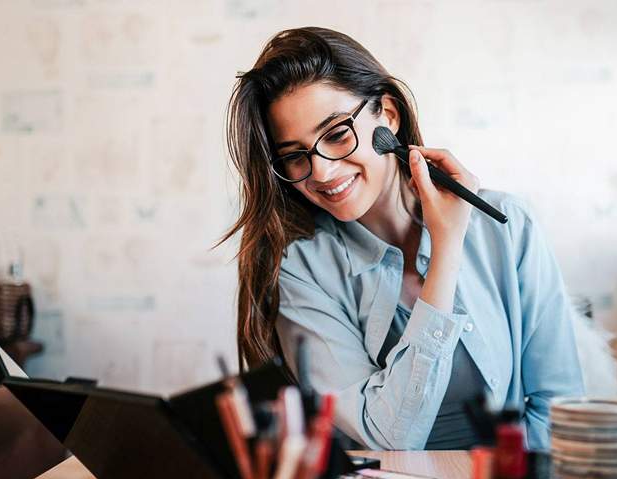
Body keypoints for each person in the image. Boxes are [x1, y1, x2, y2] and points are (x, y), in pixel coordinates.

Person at [221, 26, 584, 451]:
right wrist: (446, 251)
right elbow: (385, 437)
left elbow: (560, 409)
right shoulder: (303, 270)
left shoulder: (507, 226)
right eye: (295, 156)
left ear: (388, 115)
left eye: (337, 134)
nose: (321, 172)